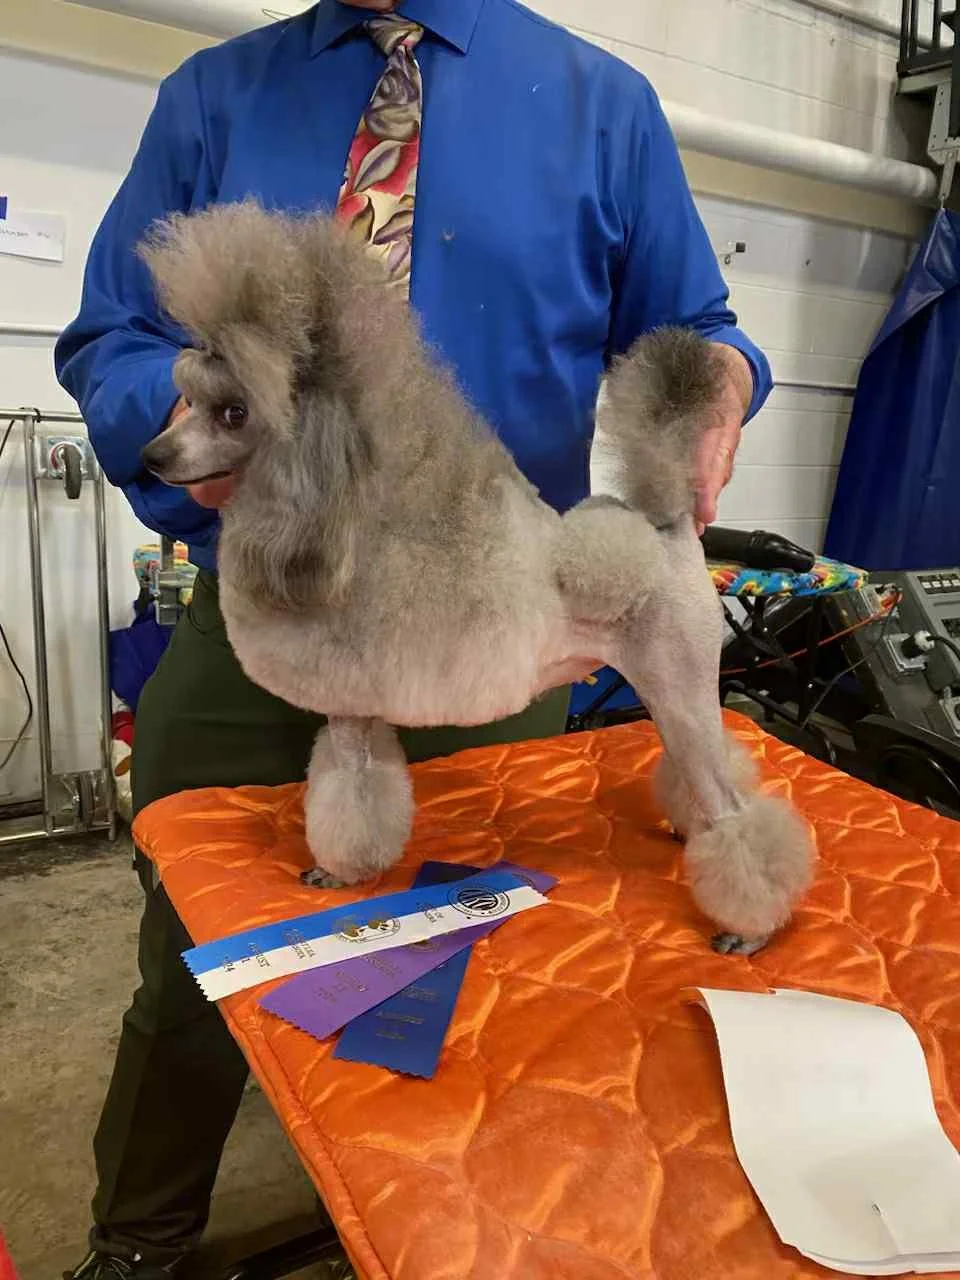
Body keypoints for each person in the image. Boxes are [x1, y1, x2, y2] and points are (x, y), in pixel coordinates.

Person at [55, 0, 772, 1274]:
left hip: (497, 620)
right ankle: (139, 1244)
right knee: (193, 964)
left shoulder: (603, 108)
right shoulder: (214, 96)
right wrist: (208, 408)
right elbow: (110, 336)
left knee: (474, 989)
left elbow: (700, 327)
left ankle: (432, 1234)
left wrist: (724, 383)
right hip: (261, 610)